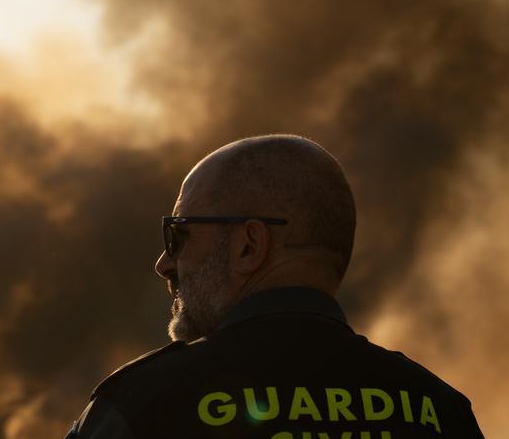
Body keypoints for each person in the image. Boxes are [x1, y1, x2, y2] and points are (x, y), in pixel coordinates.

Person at [67, 135, 485, 438]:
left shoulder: (143, 405)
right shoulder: (439, 411)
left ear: (249, 245)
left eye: (180, 235)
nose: (165, 263)